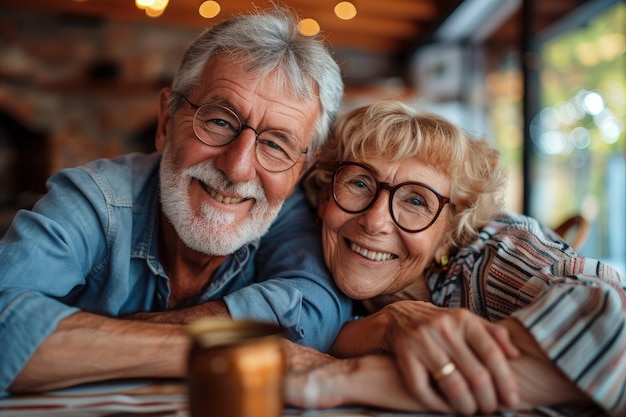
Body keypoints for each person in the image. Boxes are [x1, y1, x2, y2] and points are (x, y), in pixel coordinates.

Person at [0, 7, 352, 395]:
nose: (236, 169)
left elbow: (318, 308)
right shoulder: (95, 199)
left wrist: (92, 341)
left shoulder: (291, 213)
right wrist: (219, 346)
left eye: (274, 144)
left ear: (302, 169)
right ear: (166, 122)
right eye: (219, 121)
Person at [284, 99, 626, 416]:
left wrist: (347, 376)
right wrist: (382, 327)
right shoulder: (296, 254)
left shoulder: (490, 256)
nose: (375, 221)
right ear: (324, 196)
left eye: (416, 201)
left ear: (450, 236)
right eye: (359, 183)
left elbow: (615, 315)